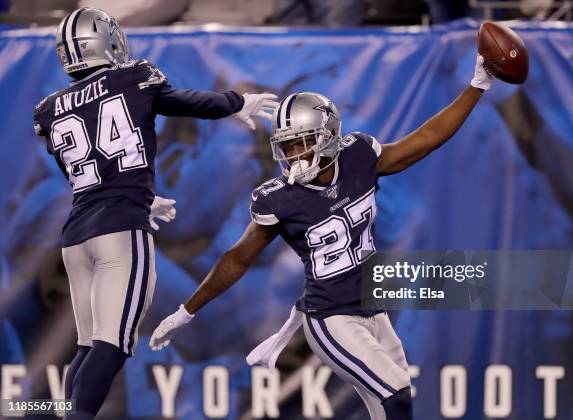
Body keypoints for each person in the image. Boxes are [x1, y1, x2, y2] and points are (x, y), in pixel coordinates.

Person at [149, 55, 493, 419]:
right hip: (331, 318)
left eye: (303, 142)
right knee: (395, 396)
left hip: (373, 309)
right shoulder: (278, 197)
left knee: (393, 404)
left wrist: (477, 86)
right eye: (288, 145)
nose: (295, 154)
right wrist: (186, 313)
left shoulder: (359, 157)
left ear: (328, 136)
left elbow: (427, 138)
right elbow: (238, 258)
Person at [32, 7, 278, 419]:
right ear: (104, 42)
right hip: (119, 231)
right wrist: (236, 102)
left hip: (76, 237)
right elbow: (182, 101)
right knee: (111, 346)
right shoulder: (132, 77)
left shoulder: (50, 108)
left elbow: (88, 173)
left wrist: (142, 198)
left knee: (88, 345)